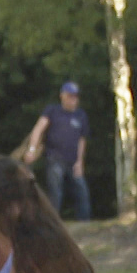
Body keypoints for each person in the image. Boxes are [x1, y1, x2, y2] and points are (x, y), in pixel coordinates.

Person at [23, 81, 91, 221]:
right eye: (70, 96)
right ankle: (53, 222)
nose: (73, 99)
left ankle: (85, 222)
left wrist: (80, 162)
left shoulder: (81, 116)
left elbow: (82, 141)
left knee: (82, 192)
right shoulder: (52, 111)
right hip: (55, 158)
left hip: (73, 161)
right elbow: (38, 129)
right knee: (55, 192)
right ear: (62, 96)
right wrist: (32, 149)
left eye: (75, 96)